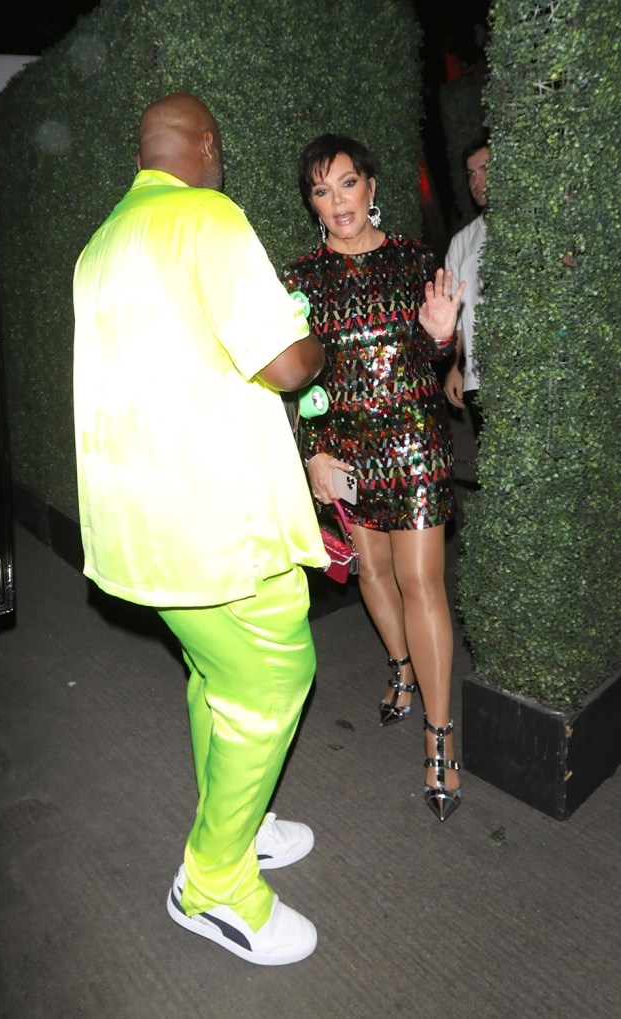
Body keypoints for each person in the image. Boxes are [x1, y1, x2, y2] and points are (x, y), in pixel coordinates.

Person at [72, 93, 329, 966]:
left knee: (215, 675)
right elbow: (288, 364)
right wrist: (313, 334)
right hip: (216, 517)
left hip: (141, 524)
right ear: (208, 146)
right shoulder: (207, 217)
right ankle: (214, 882)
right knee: (274, 676)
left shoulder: (100, 244)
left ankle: (240, 820)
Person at [283, 134, 465, 822]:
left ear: (371, 184)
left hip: (414, 440)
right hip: (344, 451)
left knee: (422, 580)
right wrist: (310, 454)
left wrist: (445, 337)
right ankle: (400, 666)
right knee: (371, 572)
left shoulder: (418, 258)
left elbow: (435, 344)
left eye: (347, 184)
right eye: (322, 192)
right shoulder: (298, 278)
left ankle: (440, 738)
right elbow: (289, 378)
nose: (338, 203)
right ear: (312, 205)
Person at [443, 135, 490, 438]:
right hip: (478, 380)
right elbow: (454, 317)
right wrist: (454, 367)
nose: (477, 181)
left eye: (485, 169)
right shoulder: (461, 242)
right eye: (471, 174)